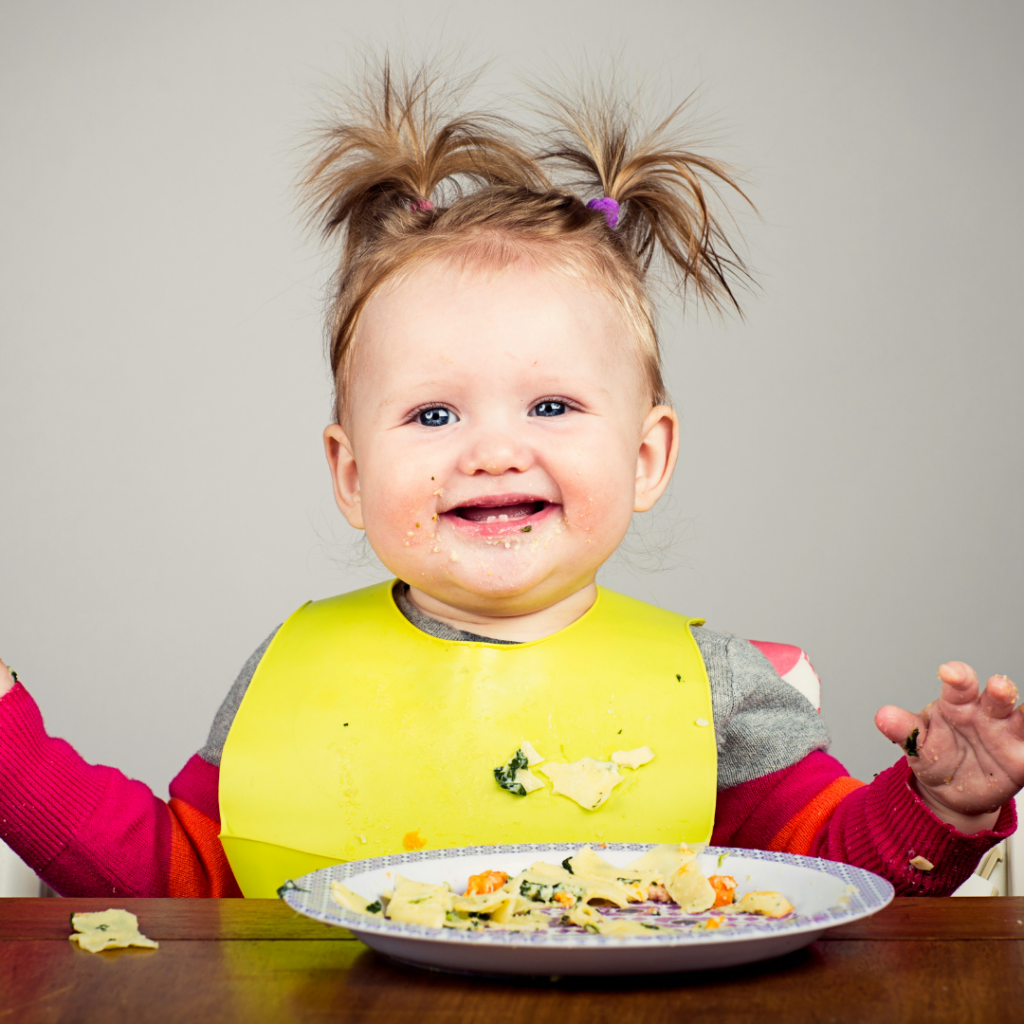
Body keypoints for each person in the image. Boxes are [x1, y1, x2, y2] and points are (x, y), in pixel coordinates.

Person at [0, 63, 1018, 900]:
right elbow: (171, 878)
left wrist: (939, 806)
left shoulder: (714, 690)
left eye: (551, 407)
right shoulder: (290, 671)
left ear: (645, 456)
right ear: (350, 475)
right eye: (433, 414)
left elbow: (825, 877)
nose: (490, 451)